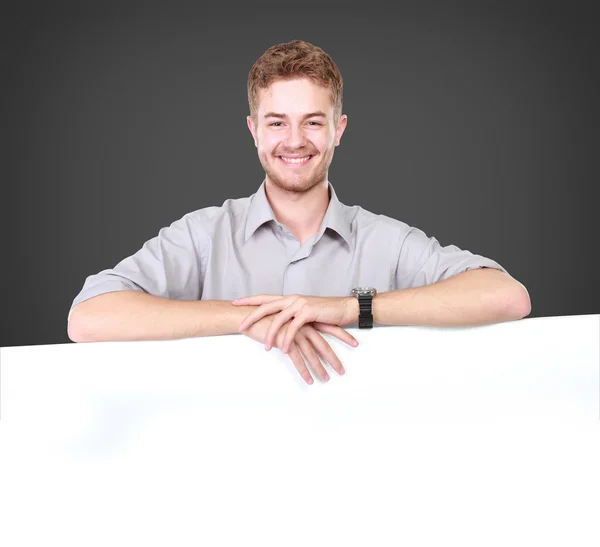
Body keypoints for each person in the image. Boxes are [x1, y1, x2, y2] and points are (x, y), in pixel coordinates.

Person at [67, 39, 531, 385]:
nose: (294, 140)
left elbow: (507, 297)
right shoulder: (202, 234)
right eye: (276, 122)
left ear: (338, 129)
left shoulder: (386, 240)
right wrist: (252, 319)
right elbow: (88, 318)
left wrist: (351, 308)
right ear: (253, 130)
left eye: (312, 121)